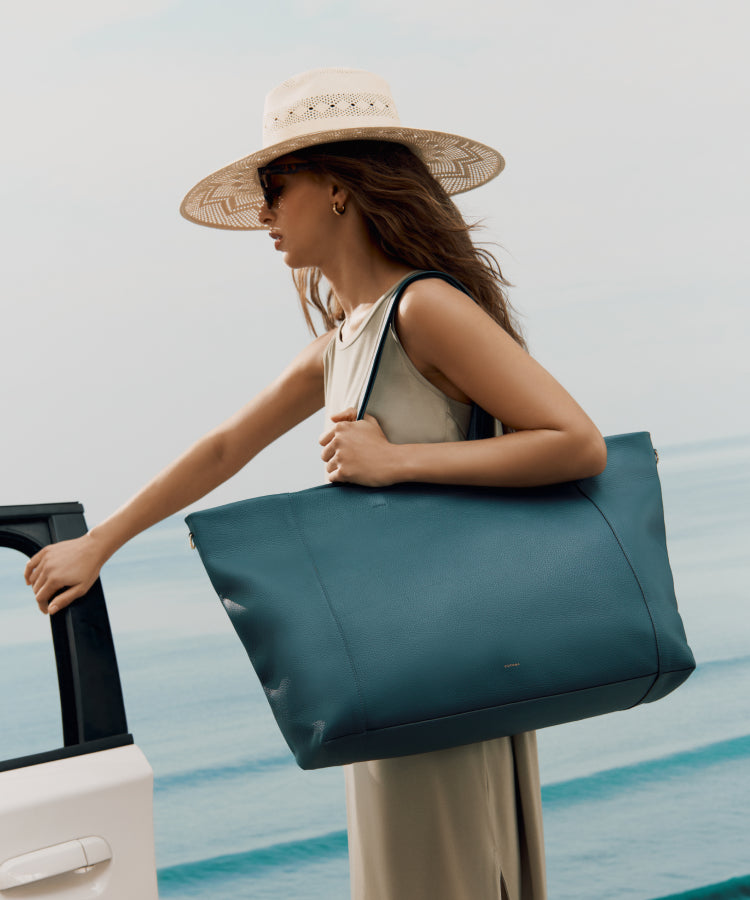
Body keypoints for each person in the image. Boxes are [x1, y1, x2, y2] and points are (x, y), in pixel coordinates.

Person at [25, 67, 607, 900]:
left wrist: (399, 460)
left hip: (445, 652)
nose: (263, 212)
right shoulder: (347, 337)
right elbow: (225, 446)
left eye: (275, 187)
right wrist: (100, 544)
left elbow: (576, 442)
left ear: (337, 187)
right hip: (390, 656)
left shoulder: (425, 309)